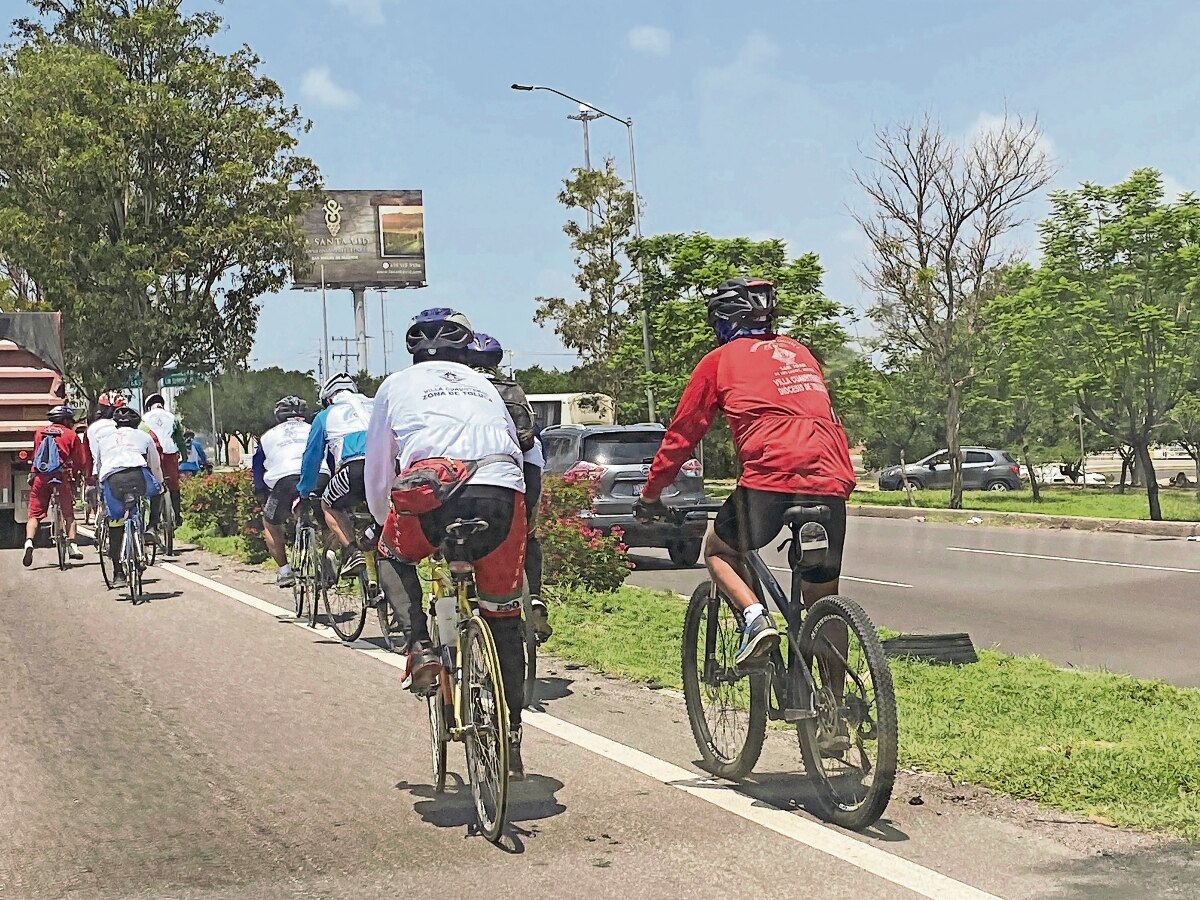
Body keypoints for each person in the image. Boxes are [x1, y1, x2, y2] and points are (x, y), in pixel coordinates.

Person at [634, 278, 856, 670]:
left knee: (719, 550)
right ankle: (835, 715)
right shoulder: (801, 352)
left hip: (770, 477)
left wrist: (651, 494)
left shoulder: (719, 361)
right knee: (822, 602)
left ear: (722, 320)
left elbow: (683, 435)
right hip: (831, 479)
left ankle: (755, 620)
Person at [365, 308, 530, 779]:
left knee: (391, 555)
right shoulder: (488, 386)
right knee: (504, 618)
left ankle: (420, 646)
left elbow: (378, 471)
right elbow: (517, 453)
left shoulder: (396, 385)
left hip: (431, 497)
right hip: (500, 495)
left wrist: (386, 525)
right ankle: (511, 736)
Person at [465, 332, 550, 640]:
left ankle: (469, 594)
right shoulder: (515, 389)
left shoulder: (464, 390)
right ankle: (536, 594)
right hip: (526, 468)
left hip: (477, 472)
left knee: (463, 530)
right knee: (528, 535)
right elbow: (533, 436)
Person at [299, 373, 373, 578]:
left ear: (328, 399)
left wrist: (304, 492)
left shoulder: (325, 416)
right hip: (390, 465)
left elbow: (312, 458)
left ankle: (352, 551)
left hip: (356, 467)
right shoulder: (375, 404)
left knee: (329, 504)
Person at [252, 396, 329, 588]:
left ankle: (285, 571)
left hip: (285, 479)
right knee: (331, 516)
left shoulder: (268, 436)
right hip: (320, 475)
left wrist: (261, 492)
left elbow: (258, 469)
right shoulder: (315, 427)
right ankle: (330, 559)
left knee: (270, 522)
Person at [92, 405, 164, 586]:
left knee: (115, 522)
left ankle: (118, 573)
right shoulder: (144, 436)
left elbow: (100, 467)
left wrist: (102, 488)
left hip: (112, 479)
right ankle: (152, 527)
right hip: (136, 475)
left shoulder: (104, 440)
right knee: (159, 491)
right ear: (136, 423)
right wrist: (159, 483)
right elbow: (155, 466)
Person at [22, 404, 86, 567]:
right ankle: (72, 545)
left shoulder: (39, 432)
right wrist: (79, 475)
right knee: (68, 514)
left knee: (34, 515)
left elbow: (36, 454)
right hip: (61, 477)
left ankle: (29, 542)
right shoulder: (71, 435)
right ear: (65, 420)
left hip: (41, 478)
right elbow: (79, 460)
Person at [141, 392, 187, 525]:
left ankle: (152, 522)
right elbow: (179, 439)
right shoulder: (172, 418)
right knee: (174, 485)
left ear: (149, 406)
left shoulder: (144, 419)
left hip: (153, 454)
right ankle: (178, 515)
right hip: (170, 454)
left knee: (154, 485)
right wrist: (184, 455)